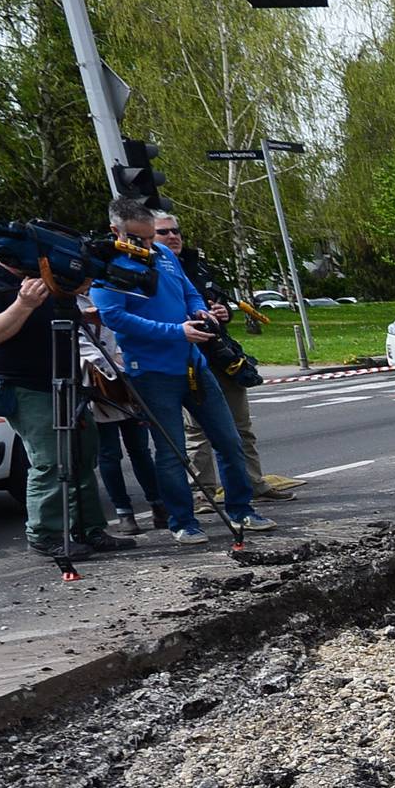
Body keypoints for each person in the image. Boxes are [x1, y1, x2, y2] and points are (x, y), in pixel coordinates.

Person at [91, 199, 273, 547]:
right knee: (172, 451)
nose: (146, 246)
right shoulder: (108, 267)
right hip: (151, 371)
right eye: (139, 239)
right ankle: (183, 521)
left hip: (193, 364)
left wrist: (202, 313)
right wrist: (177, 331)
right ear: (116, 232)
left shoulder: (165, 257)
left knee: (230, 441)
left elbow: (190, 294)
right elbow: (114, 318)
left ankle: (241, 509)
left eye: (150, 238)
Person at [0, 246, 119, 565]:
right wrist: (24, 303)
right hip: (23, 386)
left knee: (82, 454)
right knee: (51, 459)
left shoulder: (46, 280)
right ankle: (45, 535)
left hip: (65, 380)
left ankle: (89, 529)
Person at [153, 215, 296, 504]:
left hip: (221, 356)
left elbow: (213, 301)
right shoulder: (152, 268)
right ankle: (203, 493)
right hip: (186, 358)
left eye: (176, 231)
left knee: (240, 427)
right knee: (196, 432)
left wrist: (221, 313)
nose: (173, 236)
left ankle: (253, 483)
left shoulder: (197, 265)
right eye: (163, 232)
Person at [82, 320, 163, 536]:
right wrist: (112, 365)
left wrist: (125, 362)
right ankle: (124, 512)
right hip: (98, 386)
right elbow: (79, 345)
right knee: (109, 455)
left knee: (140, 450)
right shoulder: (66, 298)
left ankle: (158, 504)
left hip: (127, 383)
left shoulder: (105, 292)